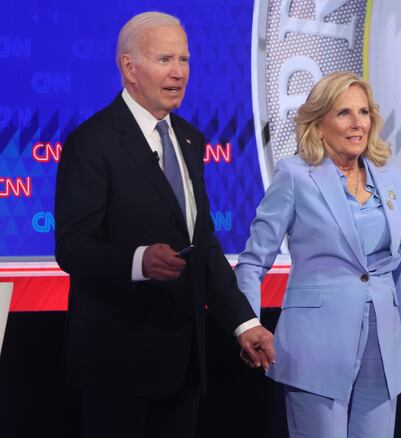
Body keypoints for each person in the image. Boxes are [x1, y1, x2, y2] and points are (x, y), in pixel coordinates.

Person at [54, 11, 274, 438]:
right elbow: (73, 246)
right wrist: (138, 261)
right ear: (129, 67)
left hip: (184, 364)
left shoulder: (190, 140)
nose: (178, 73)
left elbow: (203, 244)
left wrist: (245, 323)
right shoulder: (92, 142)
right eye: (165, 60)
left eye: (184, 60)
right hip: (116, 369)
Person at [235, 72, 401, 437]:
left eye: (363, 112)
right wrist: (250, 326)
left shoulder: (392, 181)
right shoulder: (295, 176)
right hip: (314, 350)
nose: (357, 123)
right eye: (344, 113)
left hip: (384, 350)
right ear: (318, 125)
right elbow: (252, 262)